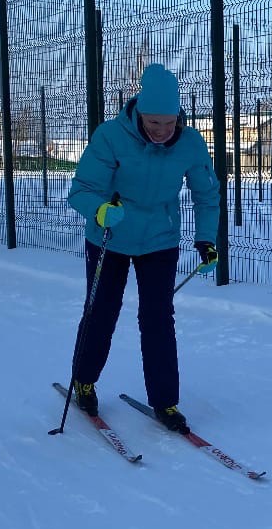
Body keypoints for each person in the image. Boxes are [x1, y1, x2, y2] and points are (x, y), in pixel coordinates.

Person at [67, 63, 220, 433]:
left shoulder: (189, 141)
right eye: (154, 124)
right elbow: (81, 191)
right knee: (101, 310)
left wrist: (206, 238)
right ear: (139, 112)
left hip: (158, 238)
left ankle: (166, 402)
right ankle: (84, 380)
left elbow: (206, 193)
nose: (162, 132)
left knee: (157, 318)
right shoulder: (110, 137)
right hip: (110, 236)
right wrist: (100, 210)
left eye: (169, 124)